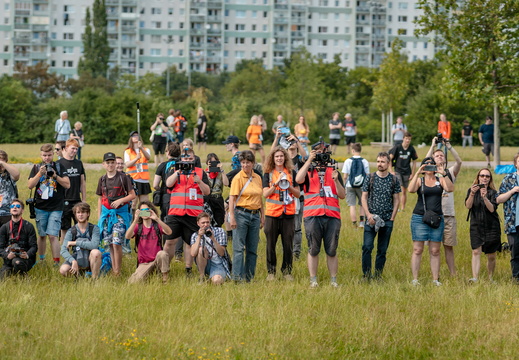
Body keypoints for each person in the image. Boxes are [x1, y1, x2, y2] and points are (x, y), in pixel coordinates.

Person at [296, 141, 346, 288]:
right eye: (317, 152)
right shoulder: (308, 170)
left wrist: (336, 181)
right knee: (313, 248)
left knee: (331, 250)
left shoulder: (334, 171)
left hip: (332, 216)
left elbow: (342, 195)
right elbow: (298, 179)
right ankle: (313, 280)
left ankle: (333, 280)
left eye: (324, 152)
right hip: (313, 215)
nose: (321, 155)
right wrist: (309, 160)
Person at [408, 157, 453, 286]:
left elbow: (450, 189)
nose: (429, 166)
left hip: (436, 217)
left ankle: (435, 279)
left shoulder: (441, 180)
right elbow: (411, 190)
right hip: (419, 217)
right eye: (426, 165)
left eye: (431, 164)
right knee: (417, 249)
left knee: (435, 250)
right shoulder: (419, 180)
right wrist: (417, 172)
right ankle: (415, 279)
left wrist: (443, 172)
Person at [164, 149, 210, 276]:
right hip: (175, 212)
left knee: (190, 242)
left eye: (190, 159)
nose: (188, 161)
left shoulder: (200, 172)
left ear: (194, 159)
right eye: (185, 159)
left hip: (193, 214)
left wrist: (199, 181)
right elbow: (168, 184)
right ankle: (164, 268)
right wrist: (178, 172)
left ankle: (188, 268)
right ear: (181, 159)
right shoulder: (174, 170)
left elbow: (207, 192)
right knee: (169, 241)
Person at [28, 143, 70, 266]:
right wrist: (40, 174)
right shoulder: (36, 167)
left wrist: (55, 176)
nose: (47, 158)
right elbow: (30, 185)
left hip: (56, 206)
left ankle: (56, 262)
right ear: (41, 155)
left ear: (53, 154)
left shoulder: (60, 166)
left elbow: (67, 184)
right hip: (40, 206)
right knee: (41, 235)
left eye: (49, 155)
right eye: (44, 155)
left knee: (53, 235)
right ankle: (41, 260)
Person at [426, 137, 462, 277]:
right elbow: (425, 160)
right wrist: (432, 144)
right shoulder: (430, 173)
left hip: (448, 215)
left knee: (449, 247)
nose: (440, 157)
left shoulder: (450, 172)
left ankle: (453, 274)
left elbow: (459, 161)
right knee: (434, 249)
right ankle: (436, 274)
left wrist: (449, 146)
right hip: (433, 215)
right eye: (437, 155)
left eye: (442, 155)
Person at [361, 152, 400, 280]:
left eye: (383, 162)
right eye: (378, 161)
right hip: (371, 219)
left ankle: (378, 276)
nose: (380, 164)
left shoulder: (394, 179)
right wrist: (368, 215)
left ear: (388, 164)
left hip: (387, 219)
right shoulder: (370, 177)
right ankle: (366, 276)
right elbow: (364, 197)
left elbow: (396, 199)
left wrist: (392, 218)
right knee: (367, 247)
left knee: (382, 250)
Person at [263, 146, 300, 281]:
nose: (279, 158)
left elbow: (298, 193)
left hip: (288, 214)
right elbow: (265, 194)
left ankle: (287, 271)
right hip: (272, 214)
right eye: (276, 156)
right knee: (270, 244)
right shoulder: (268, 173)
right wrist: (276, 184)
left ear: (285, 157)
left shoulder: (291, 172)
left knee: (288, 244)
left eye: (281, 156)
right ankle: (271, 272)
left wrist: (288, 185)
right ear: (273, 158)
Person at [96, 152, 136, 276]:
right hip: (106, 215)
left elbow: (132, 195)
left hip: (120, 214)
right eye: (108, 163)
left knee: (117, 242)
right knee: (109, 244)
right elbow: (100, 198)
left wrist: (121, 200)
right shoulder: (102, 179)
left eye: (112, 162)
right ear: (104, 164)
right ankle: (114, 268)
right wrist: (100, 217)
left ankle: (117, 271)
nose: (110, 165)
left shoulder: (123, 178)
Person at [228, 150, 264, 282]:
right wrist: (232, 217)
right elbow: (232, 199)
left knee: (252, 249)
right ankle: (237, 278)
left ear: (253, 163)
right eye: (243, 163)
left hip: (255, 215)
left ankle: (249, 277)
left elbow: (260, 199)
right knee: (238, 248)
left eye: (248, 162)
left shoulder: (258, 177)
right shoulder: (238, 178)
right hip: (241, 214)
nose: (245, 165)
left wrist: (262, 216)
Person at [465, 169, 501, 283]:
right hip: (476, 225)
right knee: (476, 251)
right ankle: (475, 277)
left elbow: (492, 209)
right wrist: (472, 193)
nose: (484, 178)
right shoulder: (471, 190)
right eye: (482, 176)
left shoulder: (493, 193)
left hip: (491, 226)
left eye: (487, 176)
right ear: (478, 177)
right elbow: (468, 206)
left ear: (490, 179)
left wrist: (485, 197)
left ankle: (490, 278)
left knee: (491, 255)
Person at [126, 201, 172, 283]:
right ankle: (149, 275)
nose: (144, 212)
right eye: (142, 210)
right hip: (144, 263)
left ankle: (165, 279)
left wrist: (157, 219)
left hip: (157, 260)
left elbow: (169, 232)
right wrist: (135, 220)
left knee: (162, 254)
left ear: (151, 210)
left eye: (146, 210)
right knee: (132, 282)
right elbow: (127, 236)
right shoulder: (138, 227)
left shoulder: (157, 225)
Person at [59, 202, 102, 279]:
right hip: (77, 257)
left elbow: (94, 245)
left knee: (96, 252)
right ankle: (78, 276)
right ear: (75, 215)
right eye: (78, 212)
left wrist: (75, 243)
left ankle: (94, 279)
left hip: (90, 257)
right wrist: (73, 261)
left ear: (88, 214)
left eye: (83, 212)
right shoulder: (71, 231)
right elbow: (63, 250)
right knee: (63, 270)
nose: (80, 215)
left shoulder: (94, 228)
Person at [0, 199, 37, 279]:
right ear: (10, 210)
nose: (15, 208)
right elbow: (0, 247)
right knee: (3, 278)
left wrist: (27, 255)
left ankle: (24, 277)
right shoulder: (4, 227)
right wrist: (7, 255)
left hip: (24, 258)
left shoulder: (28, 226)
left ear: (22, 210)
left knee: (17, 262)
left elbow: (34, 246)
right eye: (12, 206)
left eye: (18, 206)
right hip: (9, 258)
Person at [58, 139, 86, 241]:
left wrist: (83, 199)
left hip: (76, 200)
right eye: (72, 148)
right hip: (63, 200)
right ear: (66, 148)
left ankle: (79, 249)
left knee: (80, 226)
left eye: (76, 149)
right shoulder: (59, 163)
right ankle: (65, 251)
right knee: (65, 228)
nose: (74, 151)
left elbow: (82, 182)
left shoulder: (78, 163)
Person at [190, 212, 230, 285]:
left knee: (217, 281)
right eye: (203, 223)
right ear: (198, 223)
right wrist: (199, 237)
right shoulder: (195, 235)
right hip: (204, 263)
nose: (205, 225)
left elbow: (222, 253)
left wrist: (213, 239)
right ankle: (202, 276)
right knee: (200, 249)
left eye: (207, 222)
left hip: (217, 263)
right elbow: (193, 253)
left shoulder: (220, 231)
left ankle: (212, 277)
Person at [497, 153, 519, 282]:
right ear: (515, 164)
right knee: (515, 251)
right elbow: (498, 199)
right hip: (513, 222)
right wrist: (512, 191)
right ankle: (516, 278)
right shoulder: (508, 179)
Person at [342, 143, 370, 228]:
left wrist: (344, 186)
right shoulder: (364, 161)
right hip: (362, 185)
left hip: (350, 185)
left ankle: (354, 224)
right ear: (360, 151)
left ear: (353, 150)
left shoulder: (348, 161)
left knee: (352, 205)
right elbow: (368, 175)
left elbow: (345, 176)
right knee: (362, 203)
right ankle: (362, 223)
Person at [389, 132, 417, 212]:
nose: (408, 140)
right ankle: (396, 207)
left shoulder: (411, 149)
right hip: (398, 171)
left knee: (404, 191)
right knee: (400, 189)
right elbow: (389, 159)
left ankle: (402, 208)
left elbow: (414, 161)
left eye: (409, 139)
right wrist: (391, 170)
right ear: (403, 139)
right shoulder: (397, 147)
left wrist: (413, 173)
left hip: (407, 171)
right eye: (406, 139)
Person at [153, 142, 180, 220]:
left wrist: (160, 189)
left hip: (166, 197)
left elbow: (155, 185)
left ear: (168, 152)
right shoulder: (183, 165)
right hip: (180, 197)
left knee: (166, 220)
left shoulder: (163, 165)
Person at [124, 131, 152, 208]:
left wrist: (141, 148)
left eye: (137, 135)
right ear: (131, 138)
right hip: (133, 180)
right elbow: (127, 164)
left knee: (145, 204)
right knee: (133, 204)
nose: (135, 137)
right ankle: (133, 219)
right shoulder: (128, 151)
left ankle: (144, 218)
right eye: (133, 136)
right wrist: (136, 158)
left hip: (144, 180)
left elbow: (148, 157)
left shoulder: (145, 149)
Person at [204, 153, 228, 227]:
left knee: (219, 220)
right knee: (207, 221)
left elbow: (226, 183)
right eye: (211, 162)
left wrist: (222, 171)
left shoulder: (220, 174)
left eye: (215, 162)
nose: (213, 164)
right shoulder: (204, 173)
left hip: (218, 199)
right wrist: (207, 174)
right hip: (209, 199)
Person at [0, 150, 20, 227]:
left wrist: (2, 163)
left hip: (9, 212)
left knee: (10, 237)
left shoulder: (9, 174)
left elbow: (17, 174)